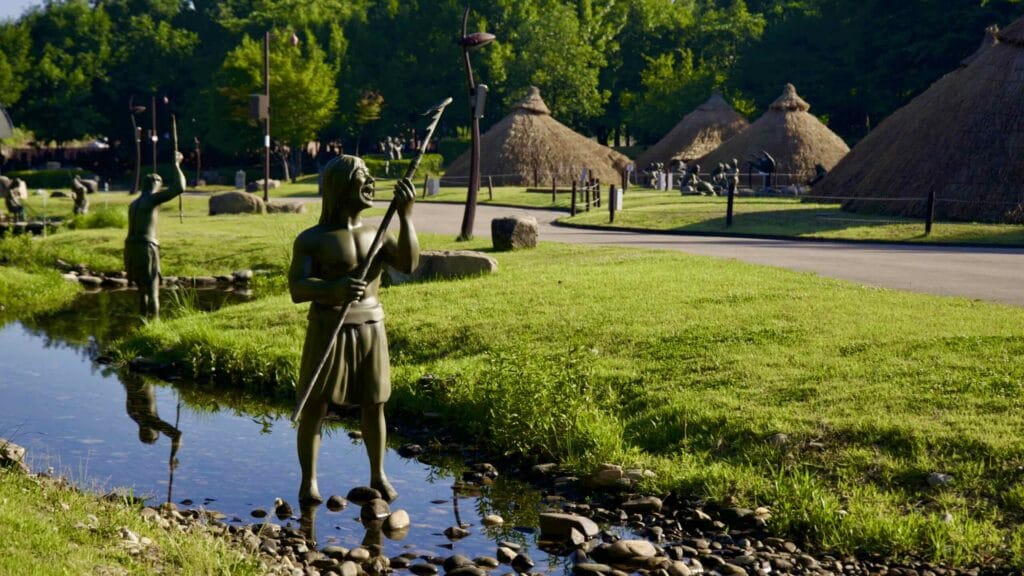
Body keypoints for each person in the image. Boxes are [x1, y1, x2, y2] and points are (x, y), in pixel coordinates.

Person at [289, 155, 418, 505]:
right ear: (340, 186)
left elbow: (408, 264)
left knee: (374, 403)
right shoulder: (313, 240)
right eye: (362, 176)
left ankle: (378, 474)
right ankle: (309, 481)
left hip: (370, 326)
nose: (371, 182)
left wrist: (406, 216)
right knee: (315, 404)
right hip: (328, 327)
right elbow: (297, 288)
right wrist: (332, 290)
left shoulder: (378, 233)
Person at [124, 151, 186, 317]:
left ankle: (143, 322)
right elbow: (180, 188)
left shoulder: (134, 203)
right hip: (146, 247)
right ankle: (155, 325)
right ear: (155, 185)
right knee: (153, 290)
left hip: (130, 248)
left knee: (141, 292)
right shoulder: (151, 199)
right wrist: (176, 165)